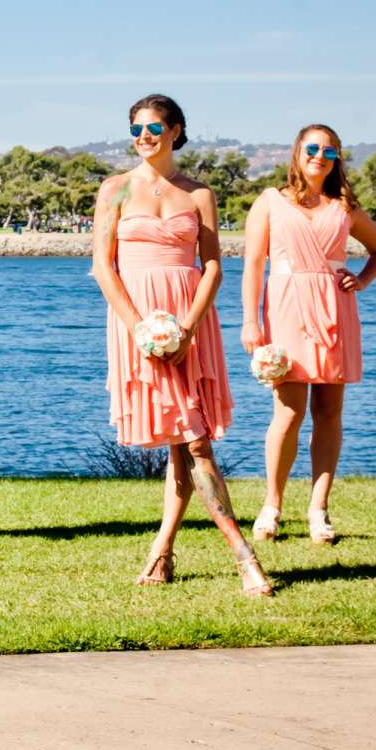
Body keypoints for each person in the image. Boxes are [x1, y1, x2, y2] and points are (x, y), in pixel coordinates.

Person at [94, 94, 270, 594]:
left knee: (189, 440)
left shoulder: (199, 194)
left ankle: (168, 552)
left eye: (153, 127)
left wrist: (188, 327)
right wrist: (138, 329)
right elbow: (104, 267)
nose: (144, 137)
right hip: (137, 323)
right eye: (136, 129)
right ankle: (239, 556)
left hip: (191, 320)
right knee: (190, 440)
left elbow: (212, 265)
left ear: (174, 131)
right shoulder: (115, 190)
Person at [238, 123, 376, 543]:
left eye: (330, 151)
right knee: (288, 412)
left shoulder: (343, 207)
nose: (320, 156)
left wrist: (361, 280)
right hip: (286, 311)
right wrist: (250, 321)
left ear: (337, 159)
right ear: (297, 151)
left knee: (329, 413)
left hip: (335, 312)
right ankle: (272, 505)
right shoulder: (270, 202)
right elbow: (253, 264)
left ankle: (319, 509)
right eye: (313, 148)